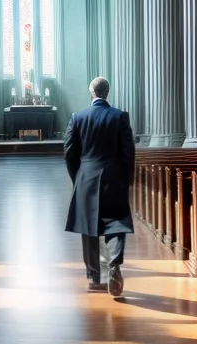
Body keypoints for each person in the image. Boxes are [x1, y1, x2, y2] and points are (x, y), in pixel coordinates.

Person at [63, 76, 135, 297]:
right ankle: (114, 265)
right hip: (113, 176)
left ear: (91, 92)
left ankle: (94, 278)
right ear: (107, 92)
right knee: (116, 222)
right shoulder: (119, 117)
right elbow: (128, 152)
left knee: (89, 227)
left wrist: (78, 178)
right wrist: (125, 178)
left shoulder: (78, 117)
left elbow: (69, 152)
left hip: (86, 177)